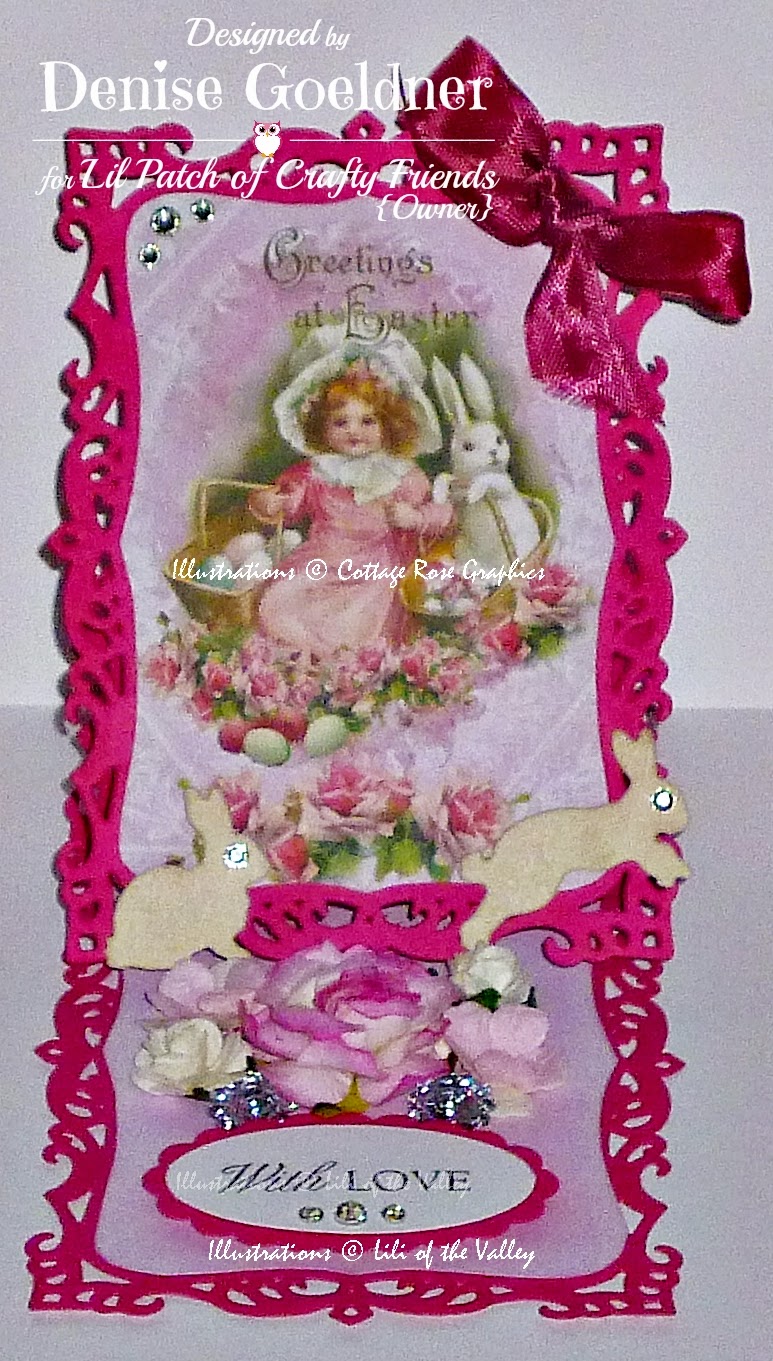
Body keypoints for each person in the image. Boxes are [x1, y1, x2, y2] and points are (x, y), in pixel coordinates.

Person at [249, 358, 454, 658]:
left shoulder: (400, 474)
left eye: (368, 421)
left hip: (375, 572)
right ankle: (308, 655)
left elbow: (444, 514)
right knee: (278, 602)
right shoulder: (318, 473)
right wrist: (269, 502)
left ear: (387, 425)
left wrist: (415, 517)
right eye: (341, 422)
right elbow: (287, 502)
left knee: (358, 626)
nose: (353, 431)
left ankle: (340, 662)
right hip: (322, 562)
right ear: (323, 428)